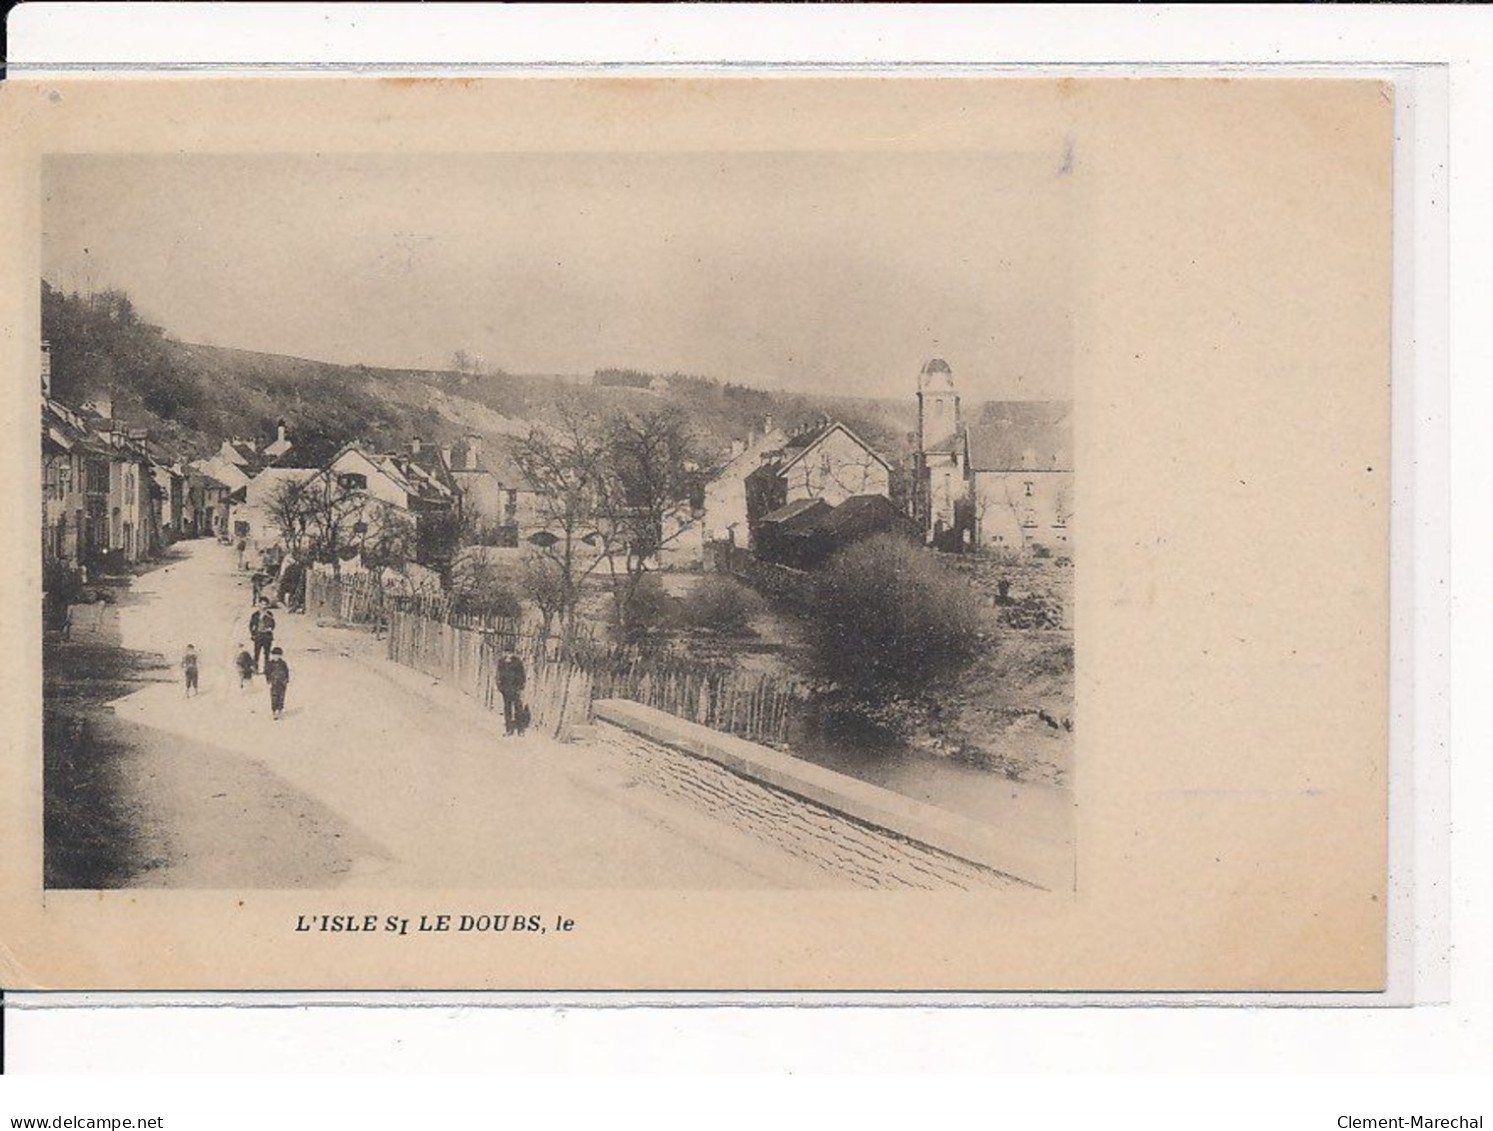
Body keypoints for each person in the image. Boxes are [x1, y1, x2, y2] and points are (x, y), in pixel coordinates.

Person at [496, 651, 527, 736]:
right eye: (506, 652)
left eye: (510, 653)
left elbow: (522, 675)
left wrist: (520, 687)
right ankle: (509, 729)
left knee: (518, 709)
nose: (508, 654)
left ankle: (520, 730)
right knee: (507, 709)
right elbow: (498, 675)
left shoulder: (517, 662)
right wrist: (500, 687)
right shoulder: (501, 662)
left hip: (515, 688)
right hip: (505, 689)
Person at [264, 647, 291, 720]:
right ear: (272, 655)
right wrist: (268, 679)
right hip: (274, 683)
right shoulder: (270, 663)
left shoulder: (283, 663)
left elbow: (286, 671)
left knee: (281, 696)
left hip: (282, 682)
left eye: (278, 655)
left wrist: (286, 679)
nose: (276, 656)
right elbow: (267, 672)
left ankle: (280, 710)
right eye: (275, 655)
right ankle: (274, 710)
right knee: (274, 697)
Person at [249, 601, 276, 673]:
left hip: (267, 636)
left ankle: (266, 669)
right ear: (259, 605)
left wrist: (270, 628)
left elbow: (273, 624)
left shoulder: (269, 614)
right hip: (258, 636)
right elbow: (251, 625)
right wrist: (253, 634)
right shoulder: (255, 615)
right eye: (262, 604)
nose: (264, 606)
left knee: (267, 653)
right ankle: (255, 668)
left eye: (265, 604)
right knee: (256, 653)